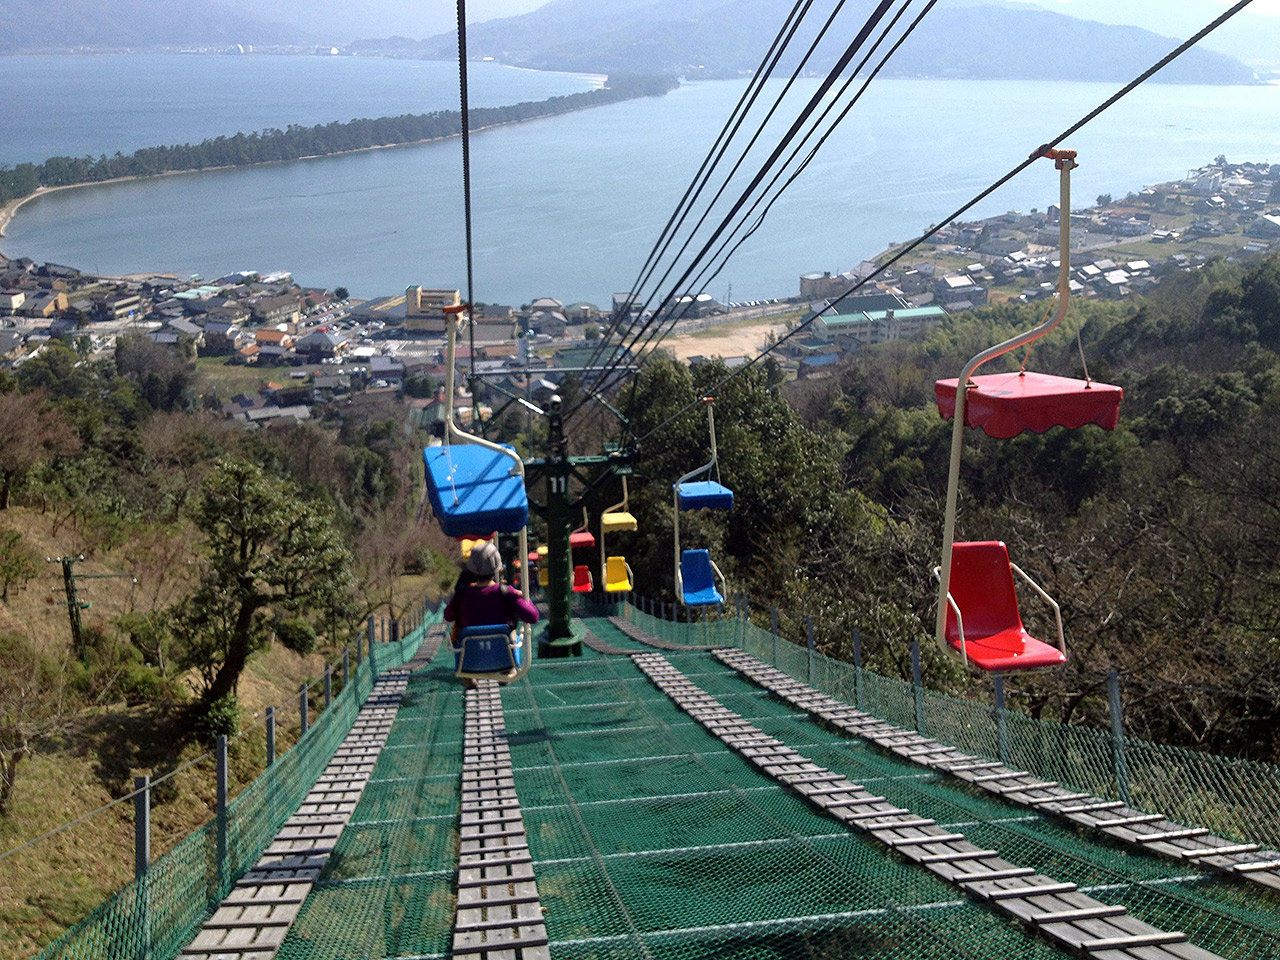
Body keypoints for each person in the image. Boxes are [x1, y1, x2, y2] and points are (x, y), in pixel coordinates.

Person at [444, 542, 539, 681]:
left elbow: (448, 616)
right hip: (503, 658)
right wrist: (523, 597)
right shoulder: (507, 593)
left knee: (462, 633)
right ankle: (509, 668)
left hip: (470, 660)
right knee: (510, 631)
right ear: (497, 567)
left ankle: (469, 675)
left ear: (472, 569)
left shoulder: (462, 595)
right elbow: (533, 616)